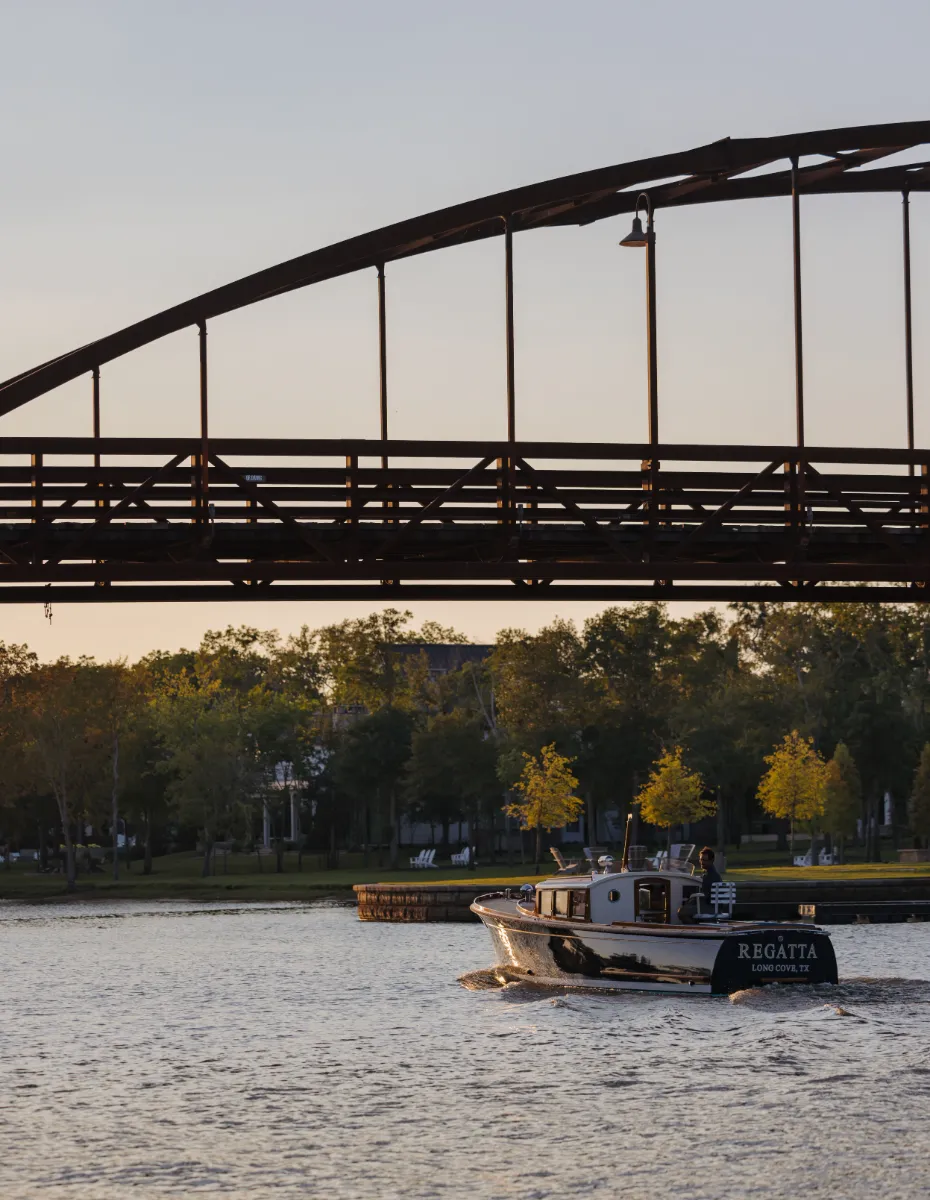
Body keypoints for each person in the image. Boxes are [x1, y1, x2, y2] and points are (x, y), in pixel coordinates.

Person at [677, 846, 723, 924]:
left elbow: (704, 896)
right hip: (714, 906)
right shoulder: (712, 874)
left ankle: (694, 928)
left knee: (681, 912)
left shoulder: (710, 876)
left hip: (710, 907)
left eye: (704, 860)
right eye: (701, 859)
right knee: (688, 906)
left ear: (712, 860)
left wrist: (691, 899)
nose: (702, 862)